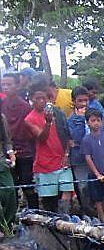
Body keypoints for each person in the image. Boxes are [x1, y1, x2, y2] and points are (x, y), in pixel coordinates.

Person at [24, 79, 73, 213]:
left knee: (67, 190)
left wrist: (67, 154)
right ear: (31, 99)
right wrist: (47, 122)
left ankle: (64, 218)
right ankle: (52, 223)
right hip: (44, 163)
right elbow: (42, 138)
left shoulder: (58, 113)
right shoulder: (29, 118)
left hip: (62, 159)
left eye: (43, 98)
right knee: (49, 199)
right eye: (37, 98)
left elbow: (66, 135)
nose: (41, 101)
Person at [1, 72, 38, 208]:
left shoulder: (25, 106)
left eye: (9, 84)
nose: (5, 87)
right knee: (11, 187)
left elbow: (29, 131)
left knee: (28, 185)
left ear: (17, 85)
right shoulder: (2, 104)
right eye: (3, 84)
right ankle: (13, 216)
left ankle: (35, 214)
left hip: (25, 151)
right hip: (7, 152)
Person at [66, 86, 93, 213]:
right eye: (80, 101)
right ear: (74, 101)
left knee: (95, 185)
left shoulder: (94, 115)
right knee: (83, 187)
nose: (83, 103)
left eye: (86, 100)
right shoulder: (71, 120)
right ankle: (85, 211)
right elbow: (75, 138)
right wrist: (82, 120)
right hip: (79, 158)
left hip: (95, 157)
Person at [0, 95, 17, 227]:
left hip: (1, 160)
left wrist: (11, 153)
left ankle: (7, 225)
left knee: (10, 191)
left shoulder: (1, 118)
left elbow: (7, 140)